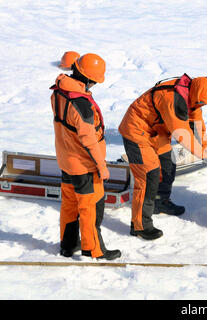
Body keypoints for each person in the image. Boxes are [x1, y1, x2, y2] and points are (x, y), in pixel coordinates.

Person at [118, 73, 207, 240]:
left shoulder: (192, 97)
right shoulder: (173, 97)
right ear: (196, 92)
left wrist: (206, 148)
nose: (202, 105)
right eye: (201, 102)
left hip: (157, 132)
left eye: (204, 103)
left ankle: (160, 202)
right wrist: (202, 154)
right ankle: (140, 226)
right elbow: (181, 133)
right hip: (136, 131)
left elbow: (197, 125)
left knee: (168, 165)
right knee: (149, 176)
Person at [50, 53, 121, 260]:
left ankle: (68, 245)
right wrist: (102, 166)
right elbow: (89, 140)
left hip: (65, 160)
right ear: (89, 79)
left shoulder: (59, 91)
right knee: (90, 208)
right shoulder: (81, 104)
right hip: (84, 166)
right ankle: (94, 250)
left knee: (69, 205)